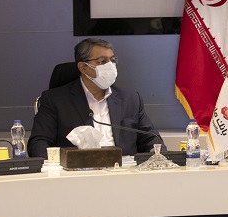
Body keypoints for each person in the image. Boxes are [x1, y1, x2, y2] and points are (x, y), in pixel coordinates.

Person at [28, 38, 161, 157]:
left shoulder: (130, 99)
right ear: (83, 67)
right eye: (102, 61)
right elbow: (38, 143)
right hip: (77, 171)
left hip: (124, 170)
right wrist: (56, 165)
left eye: (112, 60)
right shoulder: (55, 100)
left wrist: (157, 156)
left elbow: (151, 138)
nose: (110, 66)